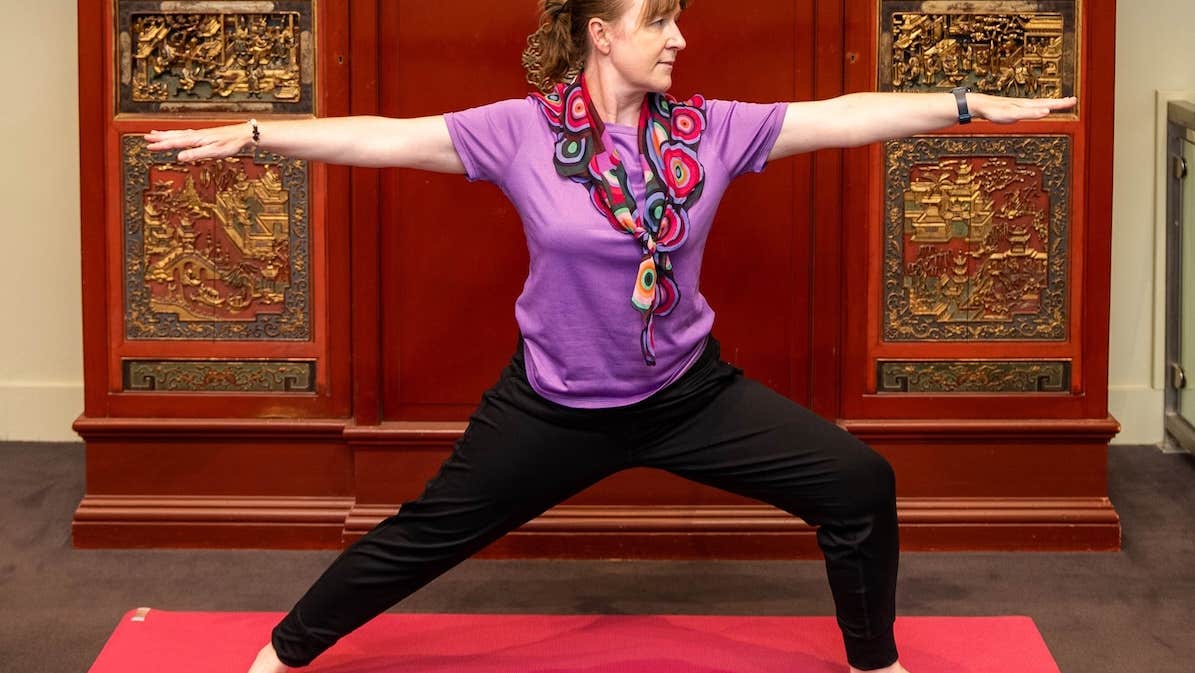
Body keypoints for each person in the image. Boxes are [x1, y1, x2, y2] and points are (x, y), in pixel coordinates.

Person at [146, 1, 1077, 671]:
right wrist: (262, 130)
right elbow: (384, 137)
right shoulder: (518, 132)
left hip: (687, 394)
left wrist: (963, 102)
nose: (680, 37)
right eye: (658, 20)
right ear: (601, 34)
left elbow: (839, 120)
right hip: (554, 404)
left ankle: (874, 663)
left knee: (858, 482)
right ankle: (283, 651)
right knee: (421, 536)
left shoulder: (710, 129)